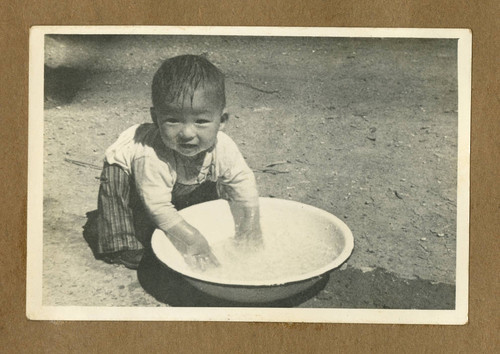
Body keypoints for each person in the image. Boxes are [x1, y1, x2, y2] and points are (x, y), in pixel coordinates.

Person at [95, 54, 262, 270]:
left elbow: (242, 182)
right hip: (126, 170)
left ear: (222, 120)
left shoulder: (224, 148)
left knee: (205, 196)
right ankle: (121, 244)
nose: (187, 133)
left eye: (201, 121)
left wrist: (250, 224)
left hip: (170, 178)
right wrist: (192, 239)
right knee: (123, 201)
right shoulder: (151, 156)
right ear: (156, 119)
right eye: (173, 120)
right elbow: (158, 206)